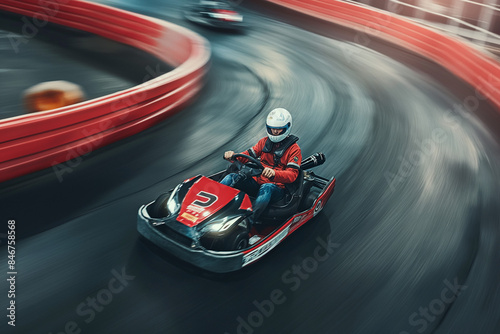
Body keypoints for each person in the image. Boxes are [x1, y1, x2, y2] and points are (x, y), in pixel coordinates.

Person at [221, 108, 302, 224]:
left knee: (267, 188)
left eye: (278, 130)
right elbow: (247, 155)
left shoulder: (294, 150)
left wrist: (274, 174)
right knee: (232, 177)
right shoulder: (264, 142)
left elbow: (292, 175)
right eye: (272, 129)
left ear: (286, 128)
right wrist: (233, 156)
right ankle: (214, 207)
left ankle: (247, 222)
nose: (274, 132)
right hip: (257, 181)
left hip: (276, 188)